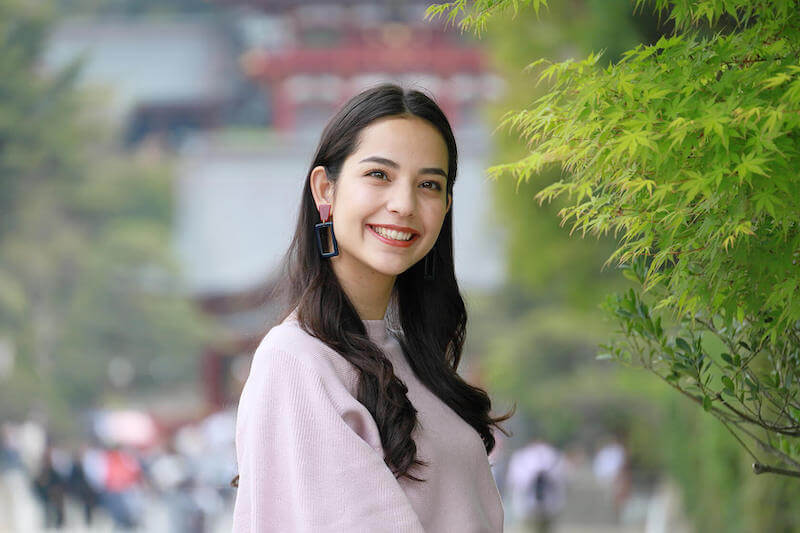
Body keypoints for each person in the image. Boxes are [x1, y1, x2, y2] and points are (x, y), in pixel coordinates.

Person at [231, 83, 514, 532]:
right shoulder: (297, 362)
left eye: (428, 184)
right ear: (326, 189)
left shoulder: (410, 358)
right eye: (379, 175)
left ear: (445, 207)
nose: (404, 205)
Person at [505, 439, 566, 533]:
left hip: (547, 507)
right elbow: (517, 481)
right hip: (528, 507)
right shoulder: (522, 457)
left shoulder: (552, 456)